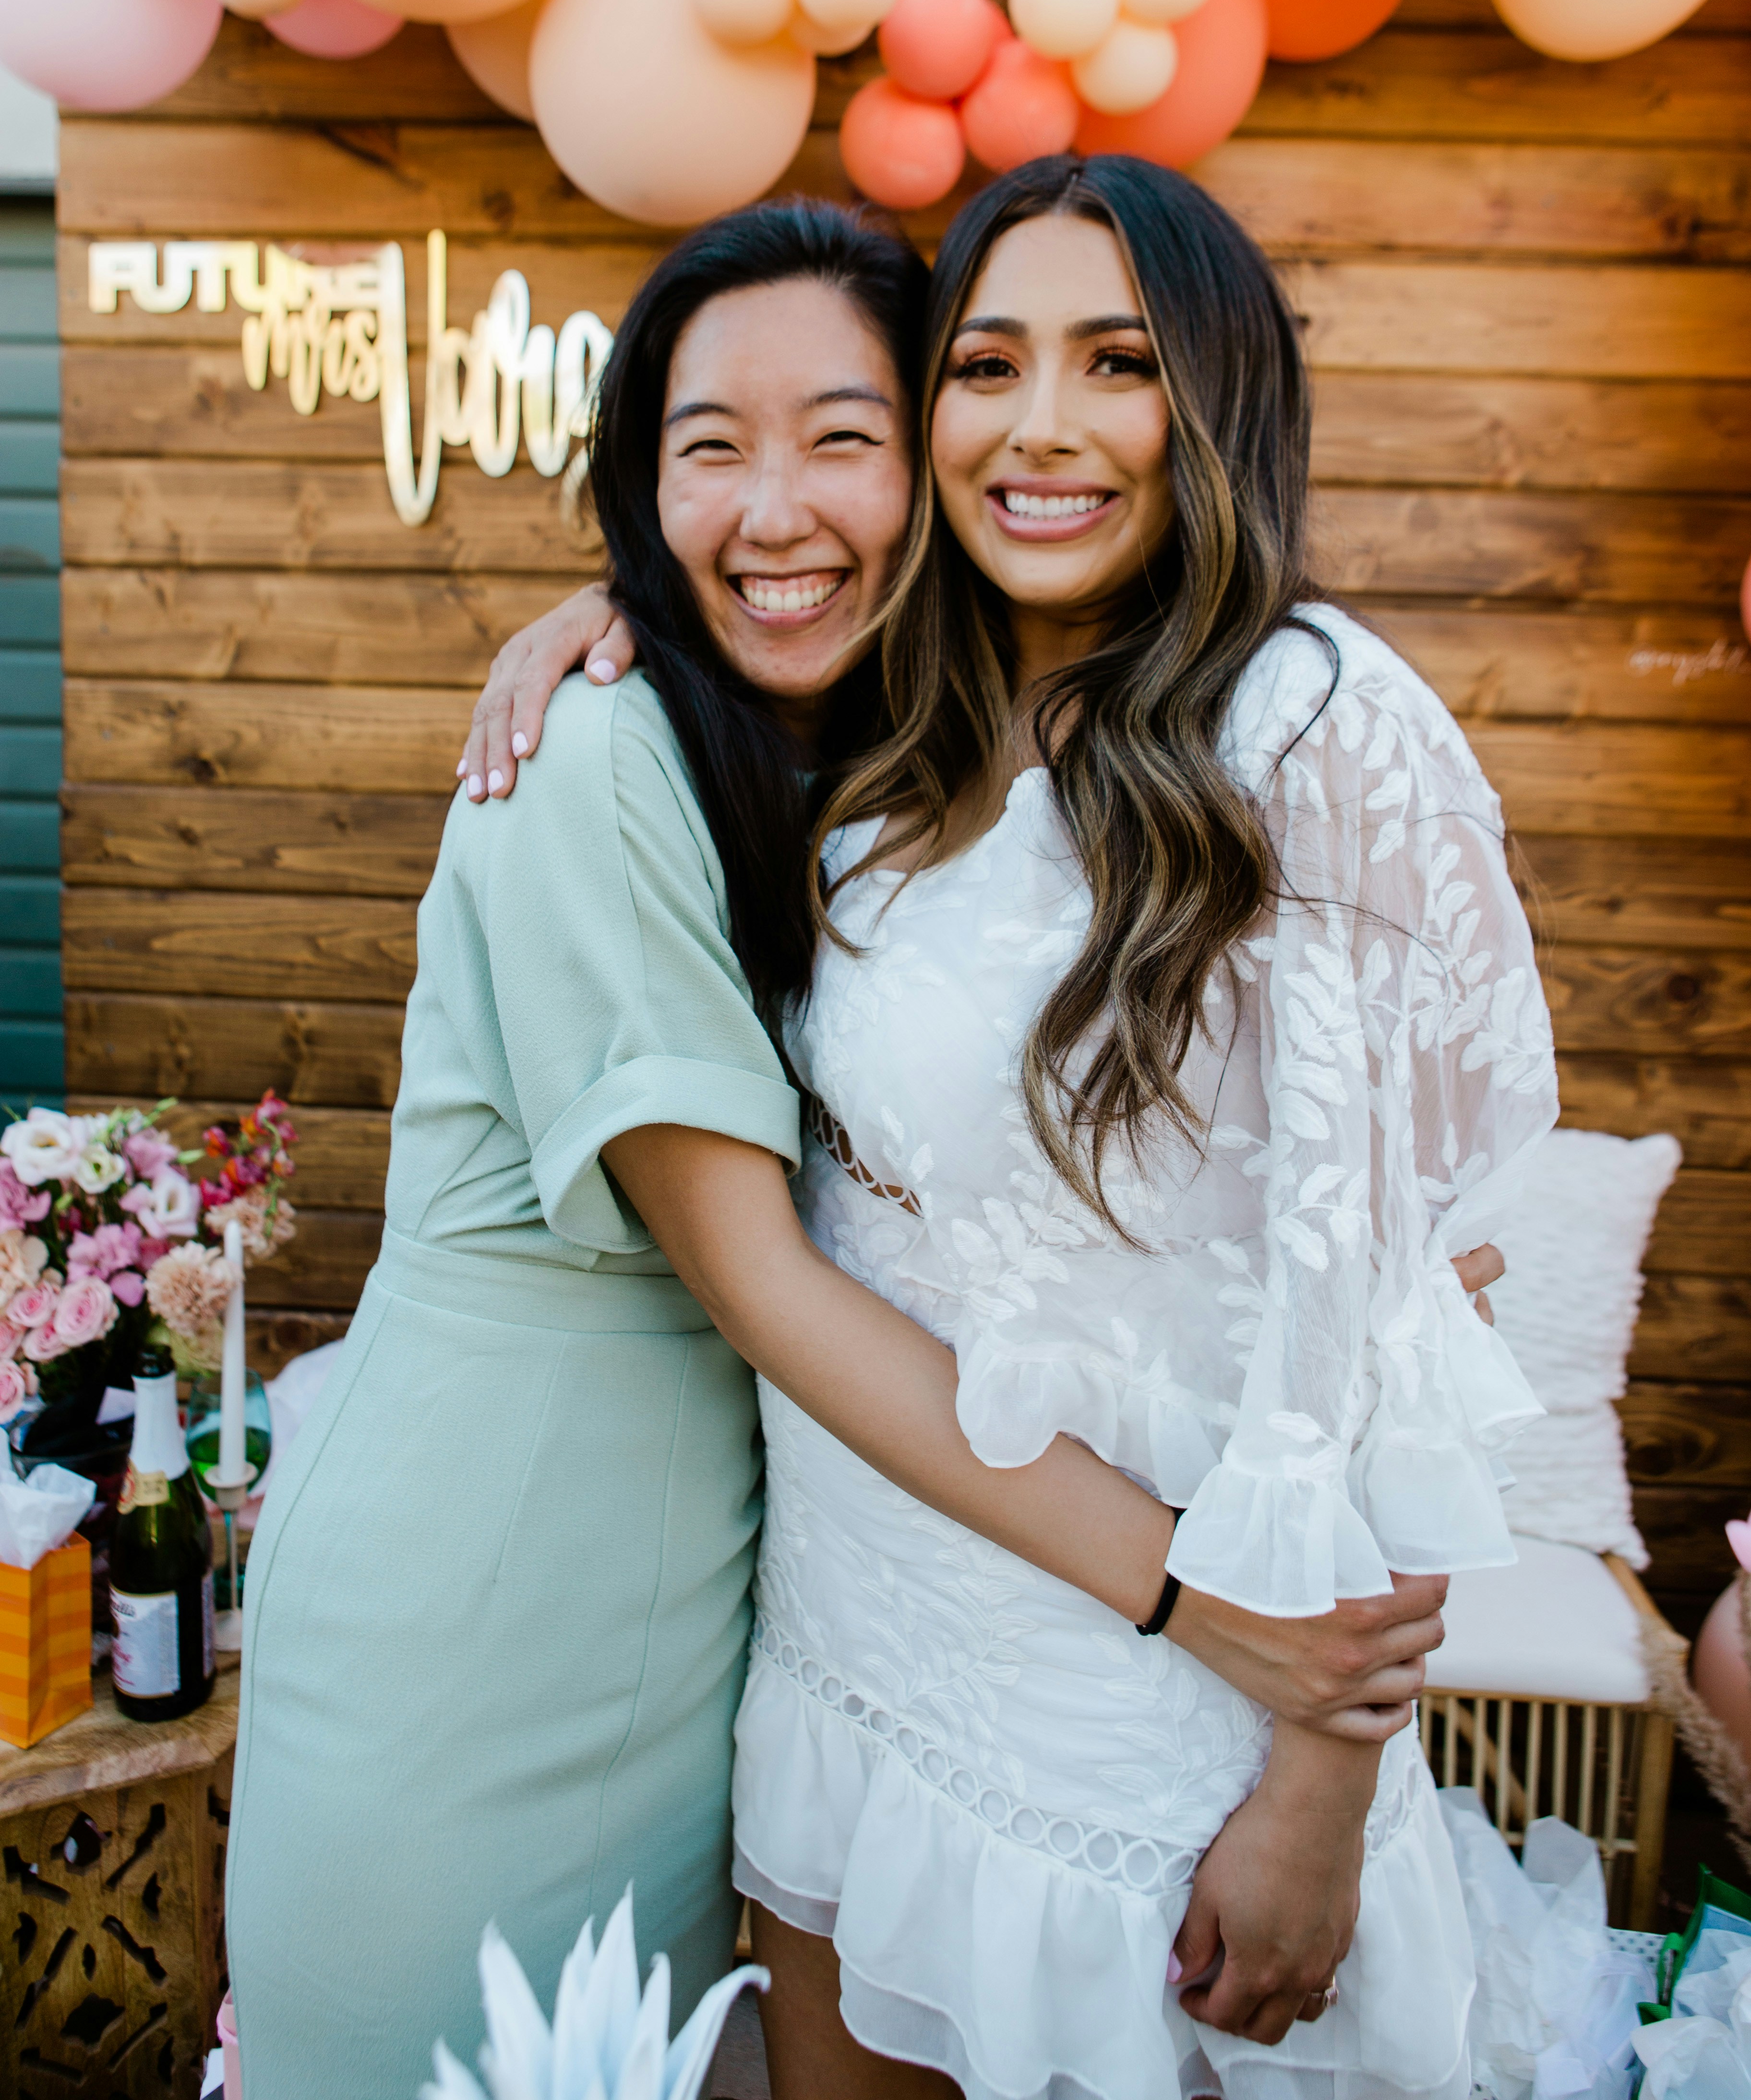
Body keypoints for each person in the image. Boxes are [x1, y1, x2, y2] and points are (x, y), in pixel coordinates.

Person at [227, 201, 1448, 2100]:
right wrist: (1201, 1603)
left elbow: (1377, 1277)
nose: (773, 507)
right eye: (704, 450)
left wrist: (1327, 1745)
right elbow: (762, 1275)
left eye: (841, 436)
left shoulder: (916, 761)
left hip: (748, 1607)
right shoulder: (603, 762)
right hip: (490, 1591)